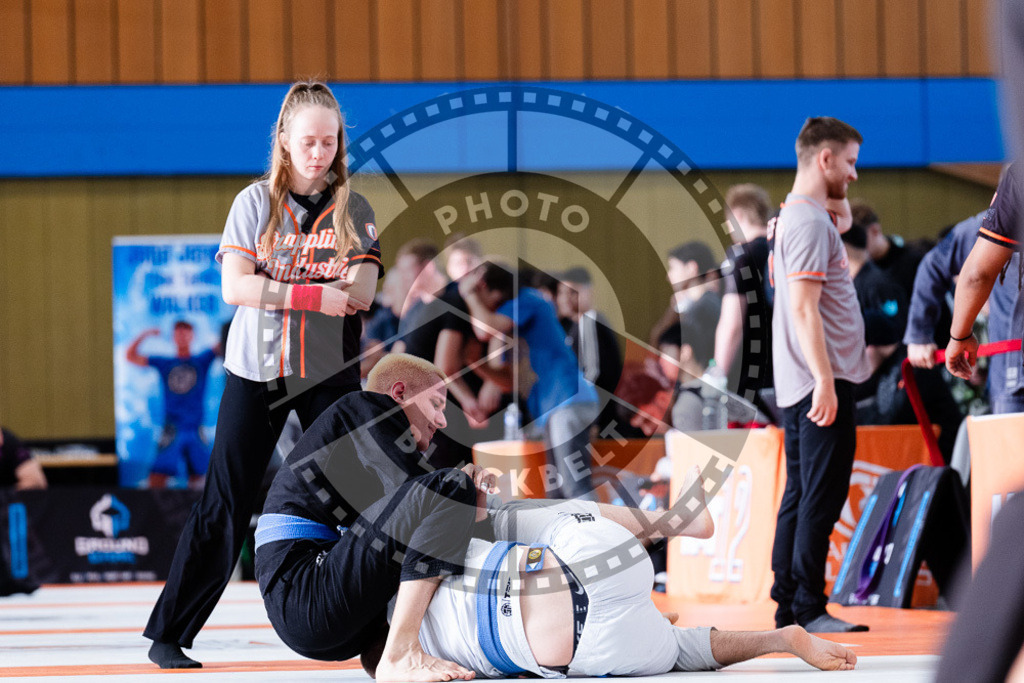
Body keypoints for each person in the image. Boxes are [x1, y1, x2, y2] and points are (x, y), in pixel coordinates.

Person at [144, 81, 384, 669]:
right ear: (282, 140)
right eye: (307, 141)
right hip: (256, 372)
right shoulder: (254, 203)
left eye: (329, 142)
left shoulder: (354, 208)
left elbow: (364, 291)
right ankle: (170, 633)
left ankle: (381, 625)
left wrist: (282, 290)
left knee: (359, 495)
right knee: (225, 500)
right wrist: (312, 293)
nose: (318, 153)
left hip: (328, 372)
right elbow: (234, 288)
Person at [360, 483, 857, 678]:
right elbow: (476, 515)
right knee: (537, 517)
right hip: (592, 561)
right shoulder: (406, 596)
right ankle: (671, 521)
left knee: (681, 649)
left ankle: (781, 639)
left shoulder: (416, 656)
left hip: (593, 647)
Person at [255, 353, 495, 682]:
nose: (442, 421)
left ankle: (386, 655)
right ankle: (401, 652)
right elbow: (430, 494)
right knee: (450, 484)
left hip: (327, 618)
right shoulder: (367, 406)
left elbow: (419, 525)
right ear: (398, 394)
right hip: (308, 589)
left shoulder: (361, 449)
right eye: (437, 404)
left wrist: (474, 503)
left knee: (445, 496)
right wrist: (465, 486)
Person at [768, 117, 870, 634]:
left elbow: (845, 222)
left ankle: (788, 601)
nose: (855, 175)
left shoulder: (798, 216)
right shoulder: (807, 223)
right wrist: (826, 380)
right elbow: (807, 310)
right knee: (820, 494)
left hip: (800, 378)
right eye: (849, 162)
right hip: (818, 380)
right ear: (825, 159)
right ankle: (807, 605)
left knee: (802, 490)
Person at [461, 263, 599, 500]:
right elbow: (498, 359)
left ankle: (599, 536)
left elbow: (485, 330)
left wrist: (469, 294)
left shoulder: (530, 299)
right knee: (556, 490)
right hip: (556, 406)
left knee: (575, 486)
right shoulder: (521, 309)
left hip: (568, 401)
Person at [126, 322, 219, 488]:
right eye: (178, 333)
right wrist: (145, 333)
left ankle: (198, 514)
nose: (182, 337)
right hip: (172, 428)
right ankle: (152, 513)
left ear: (192, 336)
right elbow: (130, 356)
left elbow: (224, 345)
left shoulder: (201, 360)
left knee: (201, 482)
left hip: (195, 429)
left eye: (186, 333)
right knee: (157, 478)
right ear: (173, 337)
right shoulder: (165, 363)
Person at [711, 184, 776, 421]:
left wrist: (717, 375)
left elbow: (732, 323)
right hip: (785, 372)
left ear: (737, 215)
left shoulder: (741, 256)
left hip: (751, 375)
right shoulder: (780, 249)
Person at [649, 241, 722, 348]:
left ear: (691, 268)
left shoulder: (705, 307)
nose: (668, 276)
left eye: (672, 268)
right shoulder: (688, 305)